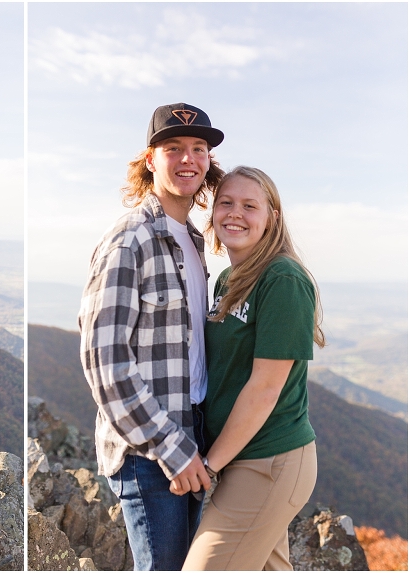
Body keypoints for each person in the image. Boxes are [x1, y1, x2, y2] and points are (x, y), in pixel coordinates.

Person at [78, 103, 225, 570]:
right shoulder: (131, 240)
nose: (189, 159)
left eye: (198, 149)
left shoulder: (193, 241)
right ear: (149, 160)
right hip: (149, 451)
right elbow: (105, 365)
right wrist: (172, 449)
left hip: (193, 432)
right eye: (174, 148)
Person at [180, 166, 324, 570]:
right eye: (225, 203)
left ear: (271, 217)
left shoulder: (283, 278)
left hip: (270, 462)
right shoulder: (227, 279)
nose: (234, 214)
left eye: (249, 205)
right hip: (242, 459)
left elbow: (264, 388)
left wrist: (209, 467)